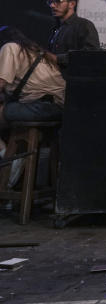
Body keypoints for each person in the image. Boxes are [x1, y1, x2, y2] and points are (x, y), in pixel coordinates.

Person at [0, 26, 65, 186]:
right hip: (58, 109)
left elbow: (1, 83)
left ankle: (7, 160)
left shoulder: (10, 48)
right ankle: (12, 167)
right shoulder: (35, 51)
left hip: (41, 107)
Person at [47, 0, 100, 69]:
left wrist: (57, 58)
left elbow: (91, 54)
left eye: (57, 1)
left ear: (72, 4)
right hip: (53, 77)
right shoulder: (57, 27)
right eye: (50, 2)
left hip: (72, 79)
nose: (52, 5)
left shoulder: (84, 25)